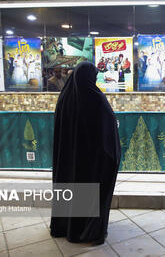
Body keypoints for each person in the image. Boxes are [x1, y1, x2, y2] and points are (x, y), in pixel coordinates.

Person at [50, 62, 121, 245]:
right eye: (94, 77)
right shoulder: (94, 98)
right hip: (90, 161)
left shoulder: (65, 98)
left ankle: (65, 226)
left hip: (68, 159)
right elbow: (108, 127)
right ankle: (84, 229)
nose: (95, 81)